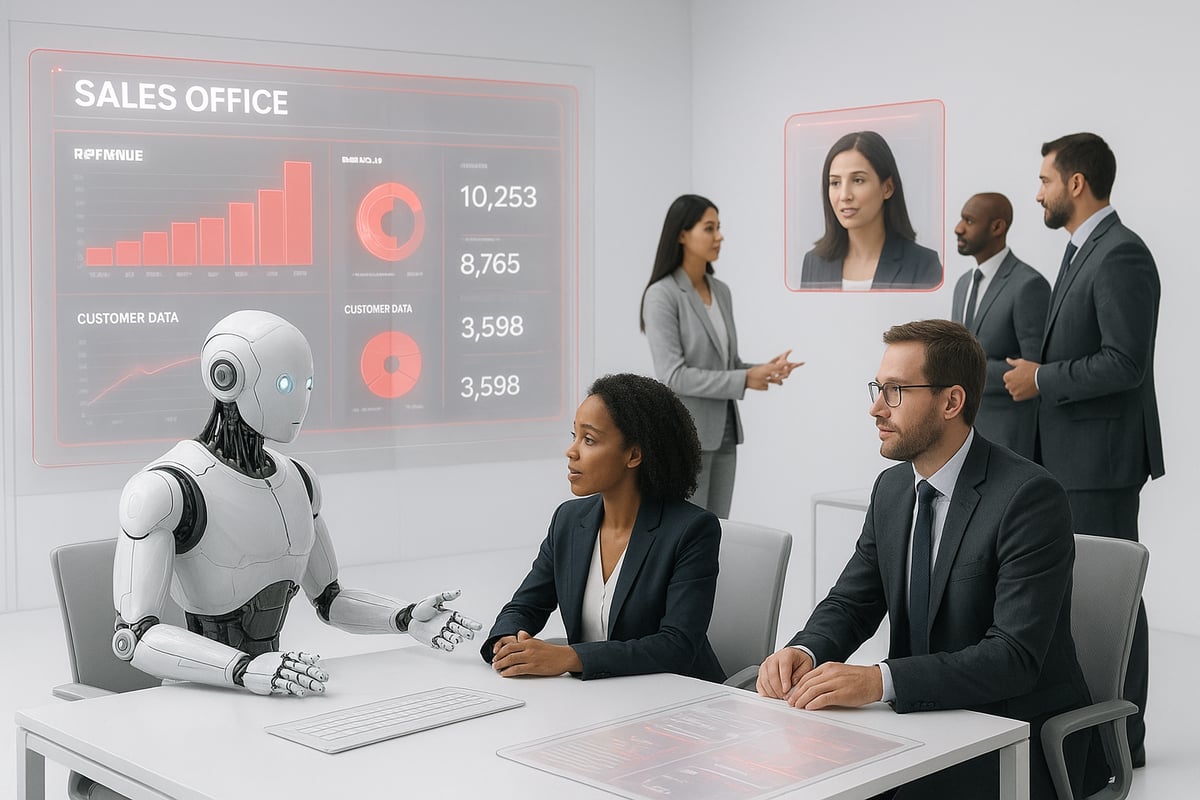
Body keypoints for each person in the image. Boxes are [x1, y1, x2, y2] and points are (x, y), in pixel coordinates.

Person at [757, 319, 1093, 800]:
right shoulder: (892, 488)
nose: (875, 408)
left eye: (895, 391)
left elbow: (1013, 658)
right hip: (916, 728)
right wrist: (805, 651)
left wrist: (879, 681)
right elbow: (852, 603)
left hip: (1008, 738)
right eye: (878, 388)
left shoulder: (1029, 498)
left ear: (951, 401)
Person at [112, 310, 481, 697]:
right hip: (204, 696)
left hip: (275, 687)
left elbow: (329, 600)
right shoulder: (167, 490)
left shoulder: (299, 482)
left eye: (307, 384)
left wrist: (405, 618)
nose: (301, 400)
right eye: (284, 384)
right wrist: (243, 670)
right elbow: (134, 638)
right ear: (227, 377)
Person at [1004, 132, 1163, 766]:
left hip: (1099, 465)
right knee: (1079, 592)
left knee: (1113, 595)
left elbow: (1125, 363)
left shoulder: (1121, 254)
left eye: (1044, 180)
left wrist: (1041, 378)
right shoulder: (1081, 251)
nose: (1036, 192)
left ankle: (1125, 739)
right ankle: (1090, 729)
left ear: (1075, 183)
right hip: (1068, 459)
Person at [482, 373, 725, 682]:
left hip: (678, 701)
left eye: (589, 440)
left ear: (634, 455)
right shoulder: (569, 520)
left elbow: (676, 645)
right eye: (574, 436)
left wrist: (571, 657)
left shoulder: (692, 530)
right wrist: (507, 641)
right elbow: (524, 606)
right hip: (600, 699)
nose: (572, 451)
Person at [640, 194, 801, 518]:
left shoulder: (721, 291)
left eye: (719, 227)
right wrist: (744, 379)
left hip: (726, 431)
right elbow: (673, 375)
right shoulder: (662, 295)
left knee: (719, 529)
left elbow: (727, 364)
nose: (719, 236)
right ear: (682, 234)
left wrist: (763, 370)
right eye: (709, 228)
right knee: (687, 533)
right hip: (688, 434)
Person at [950, 192, 1050, 458]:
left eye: (969, 221)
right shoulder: (962, 284)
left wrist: (960, 369)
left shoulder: (1028, 285)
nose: (958, 228)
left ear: (997, 227)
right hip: (962, 436)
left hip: (1010, 439)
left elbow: (1034, 371)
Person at [796, 131, 941, 290]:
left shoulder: (923, 264)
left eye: (858, 180)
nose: (844, 196)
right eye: (835, 182)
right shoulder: (813, 262)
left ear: (887, 188)